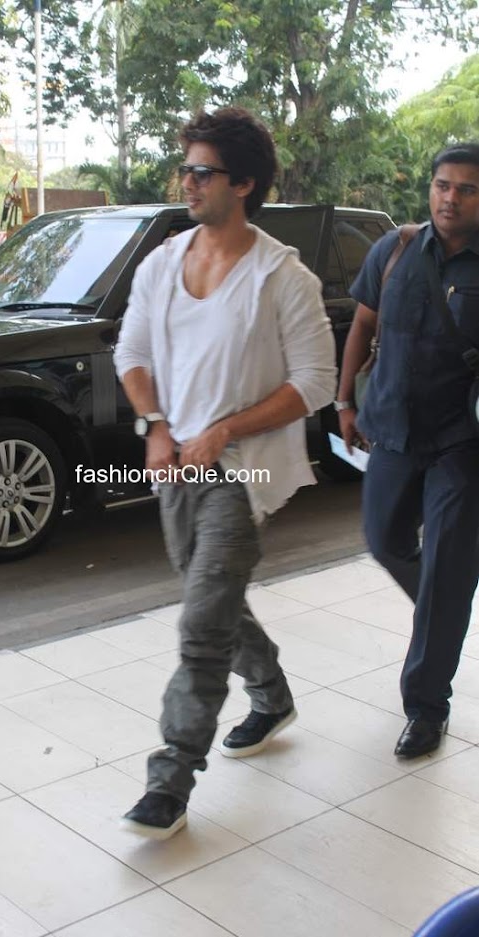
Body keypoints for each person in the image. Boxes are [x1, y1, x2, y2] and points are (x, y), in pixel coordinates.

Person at [114, 107, 337, 840]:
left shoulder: (281, 276)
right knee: (211, 596)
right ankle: (270, 693)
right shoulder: (160, 262)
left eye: (200, 172)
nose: (187, 182)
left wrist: (222, 429)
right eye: (185, 169)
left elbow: (314, 382)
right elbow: (132, 355)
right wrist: (155, 424)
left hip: (243, 474)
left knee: (201, 621)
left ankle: (170, 779)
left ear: (242, 183)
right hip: (175, 467)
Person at [336, 141, 479, 759]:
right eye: (443, 185)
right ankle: (447, 601)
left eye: (467, 189)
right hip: (390, 427)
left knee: (446, 570)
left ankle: (426, 707)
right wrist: (344, 402)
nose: (451, 198)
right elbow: (363, 326)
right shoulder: (393, 250)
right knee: (383, 539)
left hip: (461, 441)